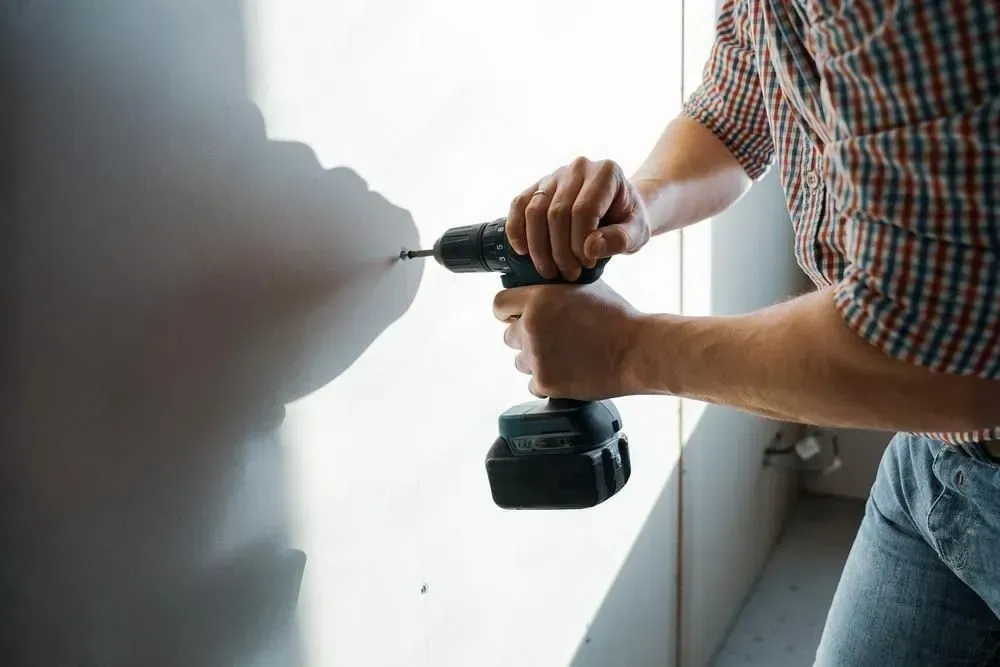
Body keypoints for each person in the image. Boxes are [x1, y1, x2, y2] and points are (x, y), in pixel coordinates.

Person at [493, 0, 1000, 664]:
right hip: (939, 465)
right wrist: (639, 203)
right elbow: (739, 105)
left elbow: (943, 366)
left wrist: (623, 349)